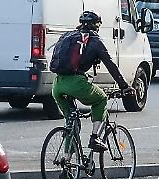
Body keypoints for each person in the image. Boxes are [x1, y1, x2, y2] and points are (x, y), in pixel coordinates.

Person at [50, 11, 134, 152]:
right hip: (76, 83)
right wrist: (124, 86)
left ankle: (67, 161)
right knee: (101, 99)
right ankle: (95, 138)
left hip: (57, 84)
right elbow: (110, 64)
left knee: (71, 123)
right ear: (97, 25)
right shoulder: (95, 40)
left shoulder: (67, 36)